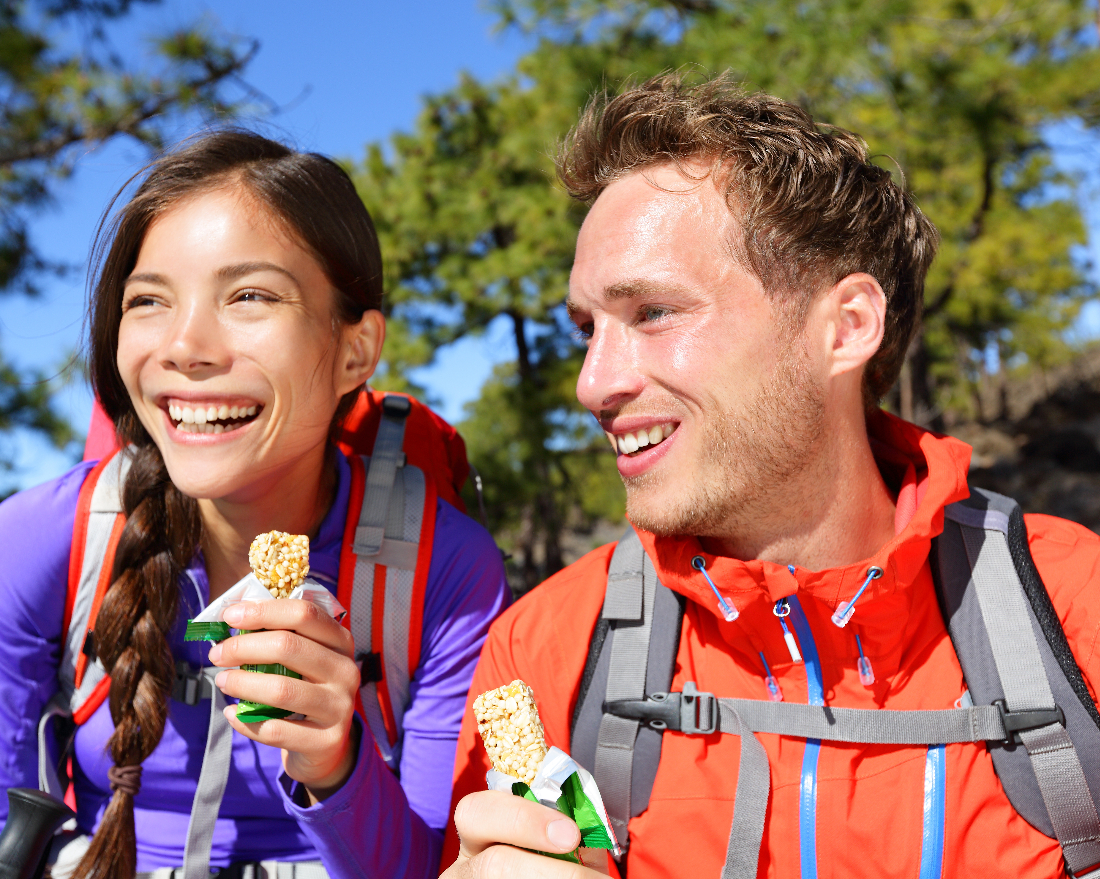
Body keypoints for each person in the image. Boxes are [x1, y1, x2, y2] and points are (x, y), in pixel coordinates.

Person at [440, 76, 1100, 878]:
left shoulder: (1073, 610)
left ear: (846, 326)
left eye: (652, 312)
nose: (592, 382)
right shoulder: (545, 649)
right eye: (587, 328)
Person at [0, 130, 509, 879]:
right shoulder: (38, 544)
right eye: (148, 300)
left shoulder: (443, 570)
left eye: (249, 295)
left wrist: (336, 764)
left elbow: (435, 867)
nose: (185, 345)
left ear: (355, 352)